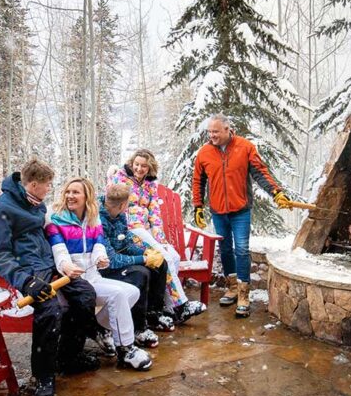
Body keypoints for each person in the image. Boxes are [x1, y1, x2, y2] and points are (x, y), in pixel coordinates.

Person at [0, 159, 99, 396]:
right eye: (47, 185)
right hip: (27, 273)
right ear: (34, 184)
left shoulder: (35, 203)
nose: (50, 189)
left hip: (49, 266)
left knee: (86, 294)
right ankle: (44, 375)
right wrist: (25, 282)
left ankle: (69, 357)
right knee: (50, 310)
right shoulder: (0, 210)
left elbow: (45, 233)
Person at [44, 177, 153, 371]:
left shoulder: (93, 220)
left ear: (87, 196)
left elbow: (99, 245)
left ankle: (100, 328)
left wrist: (101, 258)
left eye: (76, 192)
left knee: (132, 292)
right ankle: (126, 348)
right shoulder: (56, 220)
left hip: (93, 277)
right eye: (68, 192)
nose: (70, 195)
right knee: (118, 295)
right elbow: (58, 250)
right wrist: (66, 266)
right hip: (72, 280)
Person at [192, 114, 291, 318]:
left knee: (243, 250)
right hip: (218, 211)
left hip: (241, 210)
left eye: (216, 132)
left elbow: (260, 173)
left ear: (228, 129)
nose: (212, 136)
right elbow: (198, 181)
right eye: (210, 132)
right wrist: (198, 206)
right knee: (225, 249)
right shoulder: (204, 153)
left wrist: (276, 192)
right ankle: (232, 288)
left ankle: (244, 293)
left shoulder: (245, 147)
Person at [108, 149, 206, 324]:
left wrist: (161, 240)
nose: (139, 168)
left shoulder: (150, 184)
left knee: (174, 256)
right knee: (164, 258)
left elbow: (154, 213)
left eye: (143, 166)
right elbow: (112, 200)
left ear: (149, 167)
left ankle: (167, 307)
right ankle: (180, 305)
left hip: (145, 230)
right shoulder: (121, 178)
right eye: (136, 164)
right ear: (132, 163)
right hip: (130, 229)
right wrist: (111, 177)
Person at [99, 184, 176, 340]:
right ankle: (138, 328)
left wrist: (146, 253)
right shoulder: (100, 221)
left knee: (160, 264)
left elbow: (126, 242)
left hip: (118, 262)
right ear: (123, 204)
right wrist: (144, 259)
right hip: (104, 269)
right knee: (141, 273)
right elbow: (111, 260)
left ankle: (154, 314)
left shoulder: (119, 215)